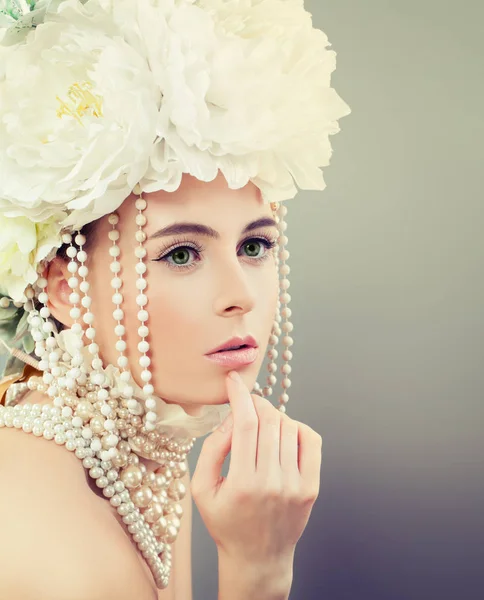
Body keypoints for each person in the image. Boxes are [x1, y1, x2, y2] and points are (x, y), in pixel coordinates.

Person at [0, 0, 350, 598]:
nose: (240, 296)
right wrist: (257, 569)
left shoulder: (140, 455)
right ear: (62, 287)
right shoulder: (72, 560)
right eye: (182, 254)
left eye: (255, 245)